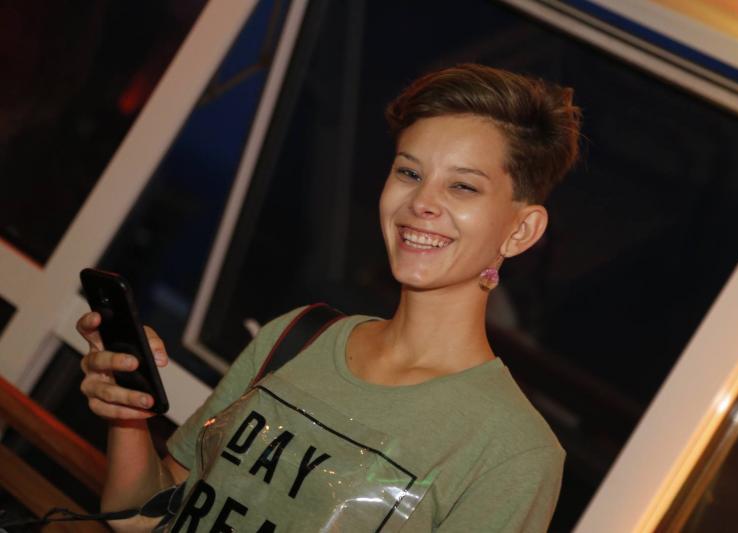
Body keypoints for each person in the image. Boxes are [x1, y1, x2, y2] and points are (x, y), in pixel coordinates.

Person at [78, 63, 581, 532]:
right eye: (409, 173)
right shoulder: (299, 336)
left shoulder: (514, 452)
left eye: (463, 187)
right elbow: (143, 518)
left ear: (521, 231)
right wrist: (128, 413)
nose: (422, 202)